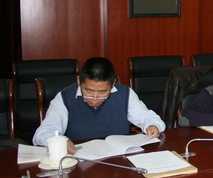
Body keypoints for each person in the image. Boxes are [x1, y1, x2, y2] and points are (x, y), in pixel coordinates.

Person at [33, 57, 165, 154]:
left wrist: (152, 126)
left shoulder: (125, 94)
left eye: (102, 92)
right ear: (79, 81)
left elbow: (149, 118)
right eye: (88, 91)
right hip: (79, 161)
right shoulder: (64, 97)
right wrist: (57, 140)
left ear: (112, 84)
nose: (95, 98)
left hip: (117, 160)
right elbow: (43, 132)